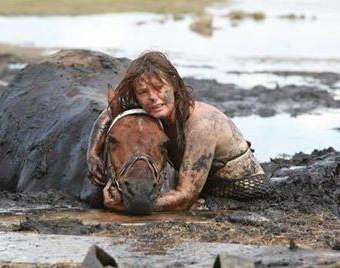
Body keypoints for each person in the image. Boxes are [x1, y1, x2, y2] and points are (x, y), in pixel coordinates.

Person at [86, 51, 269, 211]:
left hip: (239, 193)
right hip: (201, 187)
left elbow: (185, 198)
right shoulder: (156, 111)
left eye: (159, 88)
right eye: (143, 92)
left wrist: (126, 205)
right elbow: (110, 113)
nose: (153, 98)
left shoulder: (202, 124)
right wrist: (93, 153)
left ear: (173, 84)